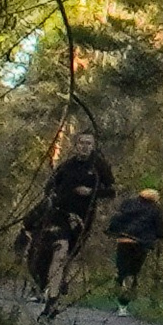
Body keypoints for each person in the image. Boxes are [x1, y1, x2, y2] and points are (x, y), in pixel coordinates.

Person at [20, 131, 117, 315]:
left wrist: (91, 192)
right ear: (75, 145)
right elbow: (50, 186)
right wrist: (52, 197)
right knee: (58, 251)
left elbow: (111, 191)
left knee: (64, 256)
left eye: (89, 143)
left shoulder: (98, 167)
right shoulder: (67, 166)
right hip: (58, 216)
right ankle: (51, 300)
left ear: (93, 146)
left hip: (81, 221)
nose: (84, 146)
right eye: (81, 142)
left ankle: (53, 293)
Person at [106, 186, 163, 311]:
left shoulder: (128, 204)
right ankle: (124, 302)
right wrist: (156, 236)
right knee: (133, 271)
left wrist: (113, 232)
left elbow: (117, 220)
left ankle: (119, 288)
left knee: (122, 268)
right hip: (141, 244)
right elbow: (160, 231)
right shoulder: (155, 210)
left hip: (124, 241)